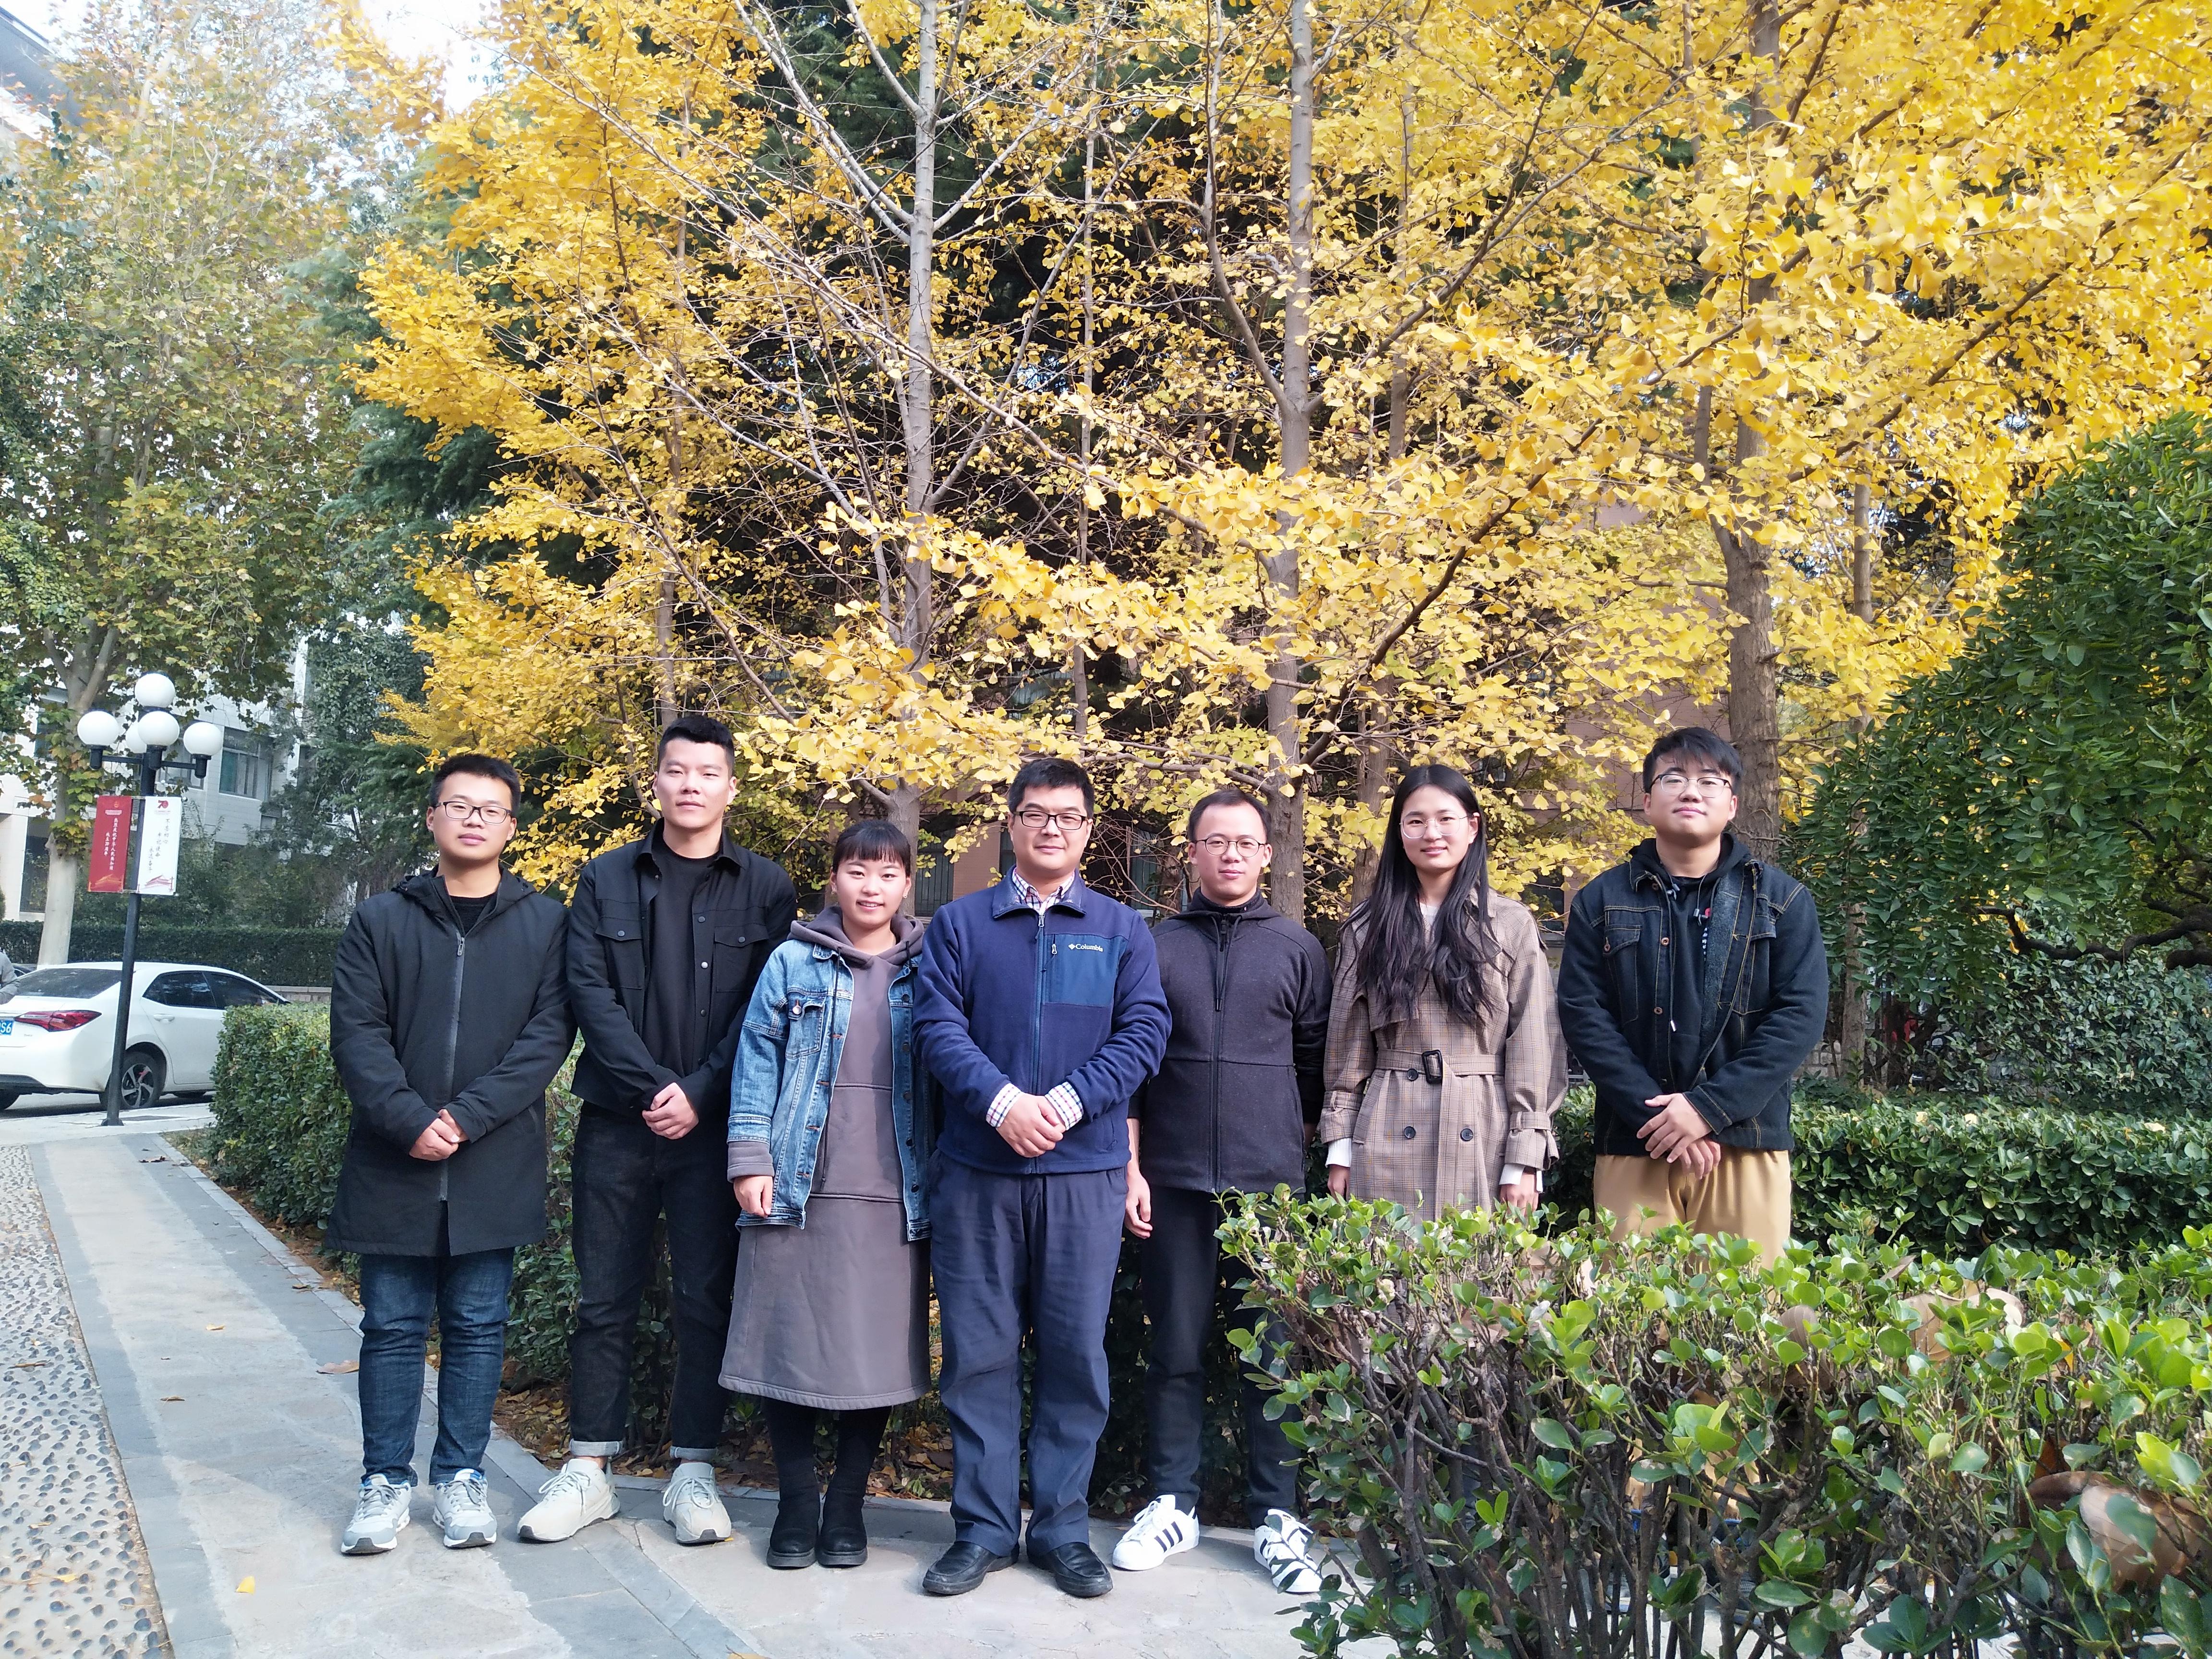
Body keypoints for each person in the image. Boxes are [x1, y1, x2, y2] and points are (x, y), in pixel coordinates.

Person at [519, 714, 798, 1547]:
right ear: (657, 782)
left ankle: (693, 1470)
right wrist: (654, 1088)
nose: (690, 786)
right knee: (603, 1297)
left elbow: (766, 1007)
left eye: (707, 773)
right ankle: (589, 1468)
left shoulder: (766, 886)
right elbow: (587, 990)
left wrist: (701, 1092)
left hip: (715, 1130)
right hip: (618, 1120)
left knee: (704, 1299)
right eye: (677, 771)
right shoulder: (605, 877)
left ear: (730, 788)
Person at [912, 757, 1171, 1600]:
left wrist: (1059, 1104)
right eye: (1035, 814)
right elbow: (936, 1027)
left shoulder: (1123, 929)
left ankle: (1061, 1529)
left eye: (1067, 816)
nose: (1051, 828)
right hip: (978, 1173)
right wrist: (1000, 1105)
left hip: (1083, 1174)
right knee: (979, 1356)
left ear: (1088, 829)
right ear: (1011, 824)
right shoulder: (960, 925)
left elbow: (1144, 1034)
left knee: (1074, 1356)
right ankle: (983, 1531)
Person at [328, 754, 575, 1555]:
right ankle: (383, 1481)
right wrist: (407, 1118)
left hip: (491, 1158)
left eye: (490, 808)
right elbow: (357, 1033)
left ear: (511, 827)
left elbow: (546, 1037)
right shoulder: (380, 920)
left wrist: (465, 1118)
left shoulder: (546, 924)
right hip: (393, 1157)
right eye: (458, 804)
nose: (473, 819)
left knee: (477, 1325)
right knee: (392, 1326)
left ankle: (462, 1476)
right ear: (432, 817)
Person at [1113, 788, 1331, 1594]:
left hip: (1268, 1194)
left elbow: (1315, 1065)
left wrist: (1281, 1150)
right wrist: (1132, 1169)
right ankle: (1174, 1502)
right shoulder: (1154, 945)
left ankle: (1277, 1516)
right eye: (1216, 841)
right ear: (1192, 853)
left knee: (1272, 1359)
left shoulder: (1298, 948)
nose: (1231, 854)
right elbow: (1131, 1067)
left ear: (1266, 854)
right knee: (1173, 1350)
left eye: (1245, 842)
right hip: (1169, 1184)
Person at [721, 820, 935, 1572]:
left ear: (907, 884)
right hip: (797, 1182)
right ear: (834, 879)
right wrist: (749, 1158)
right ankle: (795, 1501)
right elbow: (757, 1058)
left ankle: (846, 1505)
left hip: (894, 1192)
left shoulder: (930, 967)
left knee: (871, 1357)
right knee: (787, 1347)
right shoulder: (793, 959)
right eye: (857, 871)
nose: (871, 887)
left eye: (888, 874)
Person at [1556, 728, 1827, 1262]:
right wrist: (1662, 1119)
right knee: (1632, 1305)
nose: (1690, 791)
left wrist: (1707, 1110)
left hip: (1745, 1142)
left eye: (1709, 781)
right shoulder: (1600, 901)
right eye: (1673, 778)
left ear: (1733, 804)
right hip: (1637, 1141)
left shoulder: (1781, 900)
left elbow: (1799, 1017)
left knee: (1746, 1306)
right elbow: (1585, 1016)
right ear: (1647, 800)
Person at [1320, 764, 1566, 1217]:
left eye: (1445, 819)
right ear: (1400, 833)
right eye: (1415, 821)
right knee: (1383, 1256)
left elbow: (1533, 1042)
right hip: (1386, 1121)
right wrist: (1340, 1148)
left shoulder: (1509, 924)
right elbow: (1347, 1044)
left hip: (1484, 1126)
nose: (1431, 833)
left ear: (1472, 827)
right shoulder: (1367, 927)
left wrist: (1524, 1160)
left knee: (1475, 1258)